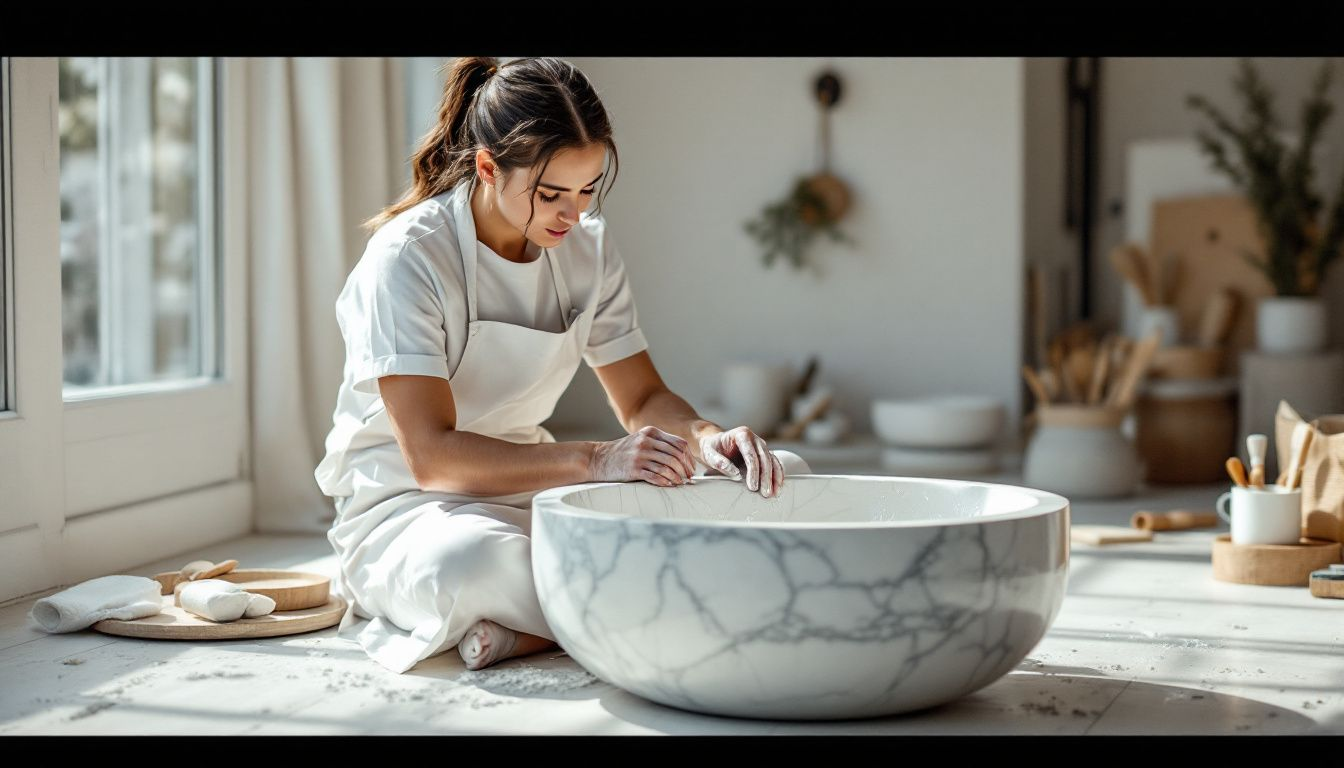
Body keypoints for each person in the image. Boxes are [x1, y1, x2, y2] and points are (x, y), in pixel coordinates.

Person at [314, 56, 810, 674]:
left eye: (587, 190)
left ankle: (541, 628)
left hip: (541, 492)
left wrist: (709, 439)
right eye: (550, 194)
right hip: (411, 509)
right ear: (488, 168)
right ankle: (712, 601)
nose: (572, 216)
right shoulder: (409, 258)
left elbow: (642, 400)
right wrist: (599, 461)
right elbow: (432, 456)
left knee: (780, 473)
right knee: (474, 565)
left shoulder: (587, 247)